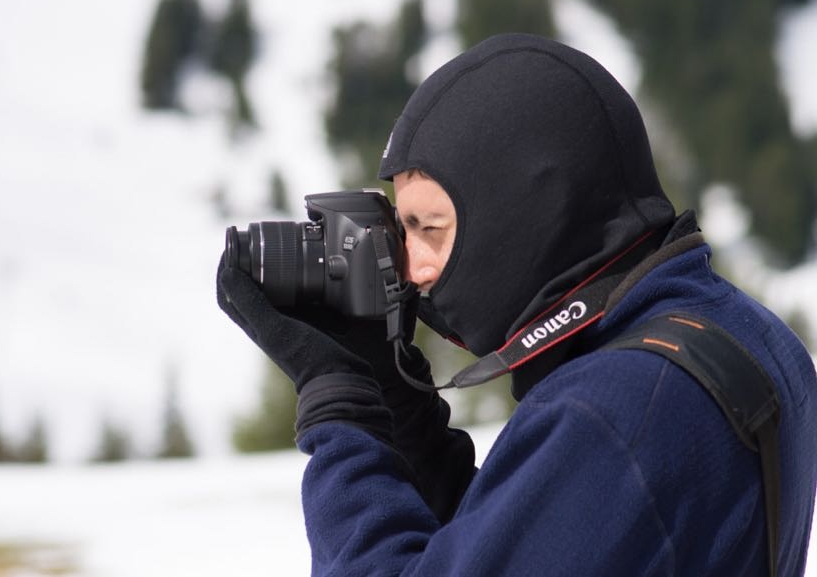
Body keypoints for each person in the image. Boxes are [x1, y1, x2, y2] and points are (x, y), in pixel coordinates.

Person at [216, 33, 817, 575]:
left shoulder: (612, 415)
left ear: (525, 212)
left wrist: (339, 402)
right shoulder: (735, 331)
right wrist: (398, 405)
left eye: (431, 228)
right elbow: (536, 547)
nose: (415, 270)